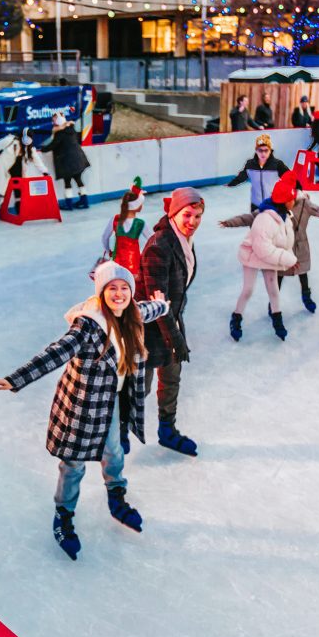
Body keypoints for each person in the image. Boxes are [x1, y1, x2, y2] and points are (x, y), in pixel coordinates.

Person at [0, 262, 169, 561]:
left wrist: (162, 305)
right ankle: (64, 514)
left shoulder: (132, 313)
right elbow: (57, 352)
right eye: (112, 288)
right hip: (82, 406)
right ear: (101, 292)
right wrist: (15, 379)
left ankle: (116, 497)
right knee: (73, 465)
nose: (119, 294)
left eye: (124, 288)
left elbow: (146, 310)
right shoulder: (88, 325)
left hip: (111, 401)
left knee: (114, 451)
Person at [221, 174, 319, 331]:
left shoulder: (304, 203)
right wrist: (232, 222)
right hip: (280, 247)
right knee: (277, 278)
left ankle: (306, 297)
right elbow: (252, 217)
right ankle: (272, 308)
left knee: (302, 273)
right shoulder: (273, 206)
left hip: (300, 245)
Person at [135, 187, 205, 457]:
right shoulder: (159, 246)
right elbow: (157, 303)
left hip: (171, 320)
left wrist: (176, 334)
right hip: (148, 327)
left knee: (171, 379)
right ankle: (119, 431)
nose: (193, 222)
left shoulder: (184, 241)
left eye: (197, 216)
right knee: (141, 387)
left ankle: (167, 430)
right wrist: (176, 340)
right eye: (187, 215)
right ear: (174, 213)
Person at [224, 171, 298, 342]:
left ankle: (277, 321)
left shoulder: (285, 218)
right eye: (292, 198)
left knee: (273, 289)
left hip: (268, 256)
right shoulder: (265, 219)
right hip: (252, 256)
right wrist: (289, 259)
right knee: (248, 290)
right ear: (285, 201)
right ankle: (236, 318)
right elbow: (262, 249)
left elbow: (285, 244)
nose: (294, 201)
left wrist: (290, 257)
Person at [0, 127, 50, 213]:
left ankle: (19, 210)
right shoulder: (10, 140)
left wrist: (44, 171)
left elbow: (37, 161)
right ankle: (3, 210)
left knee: (19, 190)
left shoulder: (29, 148)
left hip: (19, 171)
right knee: (3, 190)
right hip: (6, 169)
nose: (28, 140)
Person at [101, 177, 152, 277]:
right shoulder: (140, 223)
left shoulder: (115, 219)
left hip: (117, 263)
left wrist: (108, 251)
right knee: (132, 285)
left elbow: (104, 238)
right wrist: (144, 254)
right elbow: (153, 240)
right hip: (134, 263)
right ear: (136, 206)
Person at [226, 133, 291, 211]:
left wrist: (298, 189)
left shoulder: (277, 164)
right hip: (256, 204)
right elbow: (242, 177)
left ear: (270, 151)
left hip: (272, 203)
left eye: (266, 150)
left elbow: (290, 178)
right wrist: (230, 184)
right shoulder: (250, 164)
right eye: (260, 150)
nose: (263, 153)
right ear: (256, 150)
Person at [41, 112, 91, 210]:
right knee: (79, 180)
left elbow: (53, 145)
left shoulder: (60, 133)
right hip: (78, 159)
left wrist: (42, 149)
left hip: (68, 162)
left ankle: (68, 204)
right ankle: (84, 201)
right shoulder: (72, 129)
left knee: (67, 182)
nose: (53, 123)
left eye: (54, 121)